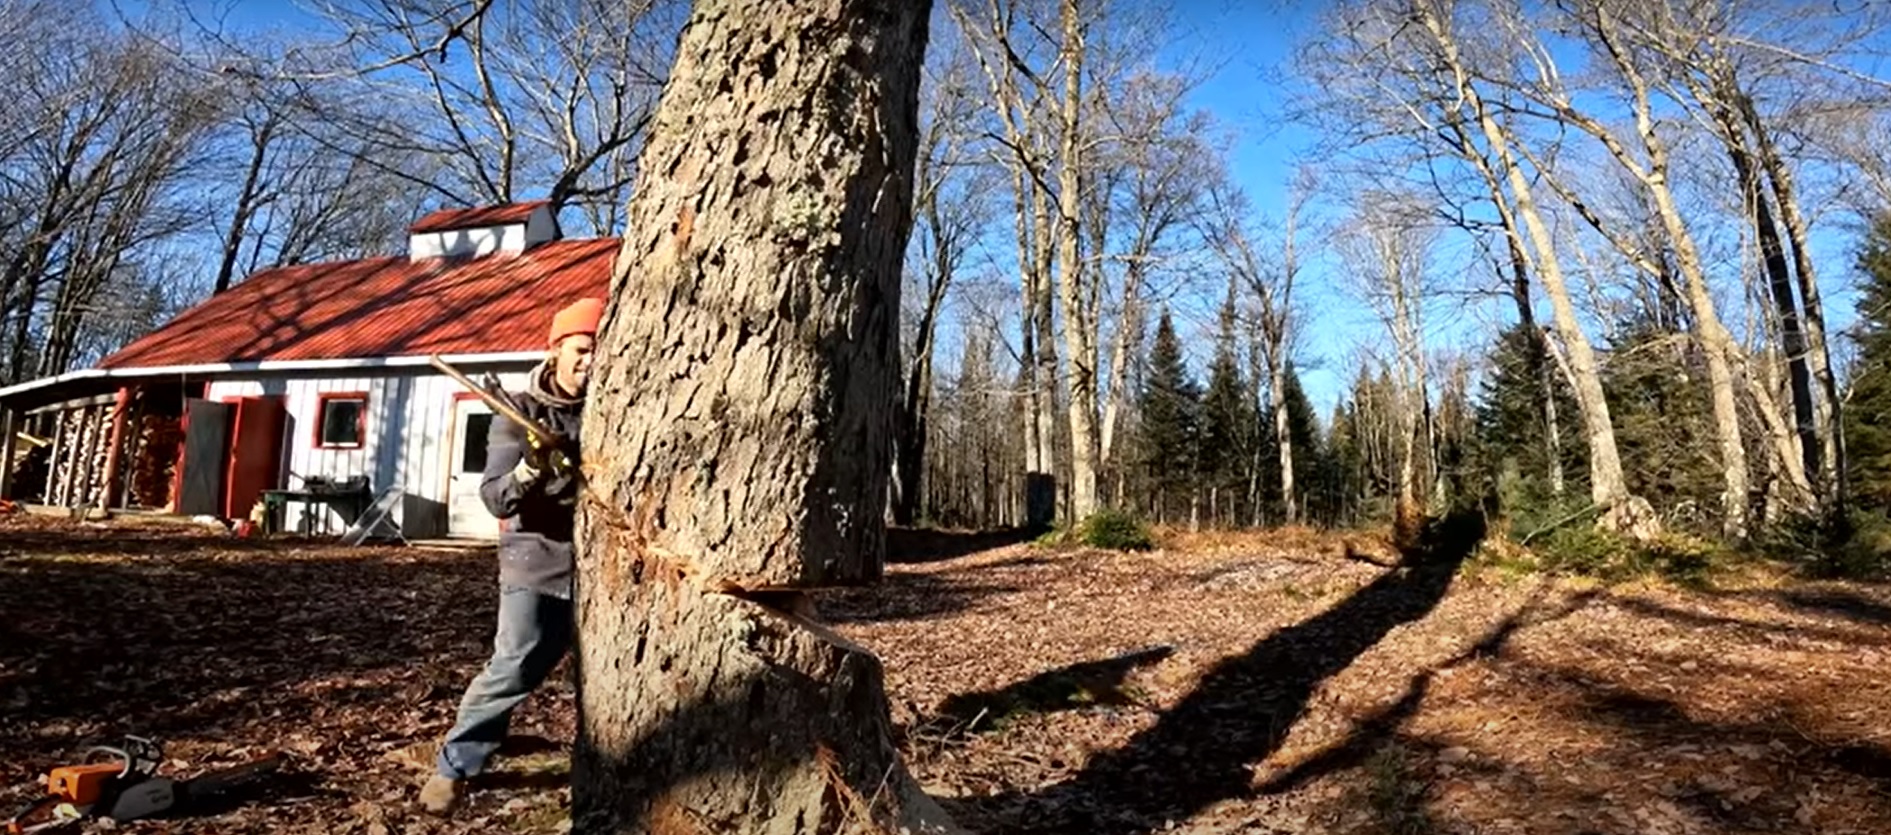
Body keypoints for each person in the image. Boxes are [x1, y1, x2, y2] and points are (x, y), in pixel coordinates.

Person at [420, 297, 601, 814]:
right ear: (557, 349)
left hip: (602, 566)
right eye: (581, 349)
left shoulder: (614, 409)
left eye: (599, 351)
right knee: (516, 665)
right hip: (536, 559)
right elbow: (496, 496)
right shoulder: (516, 412)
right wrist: (532, 469)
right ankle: (454, 766)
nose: (590, 361)